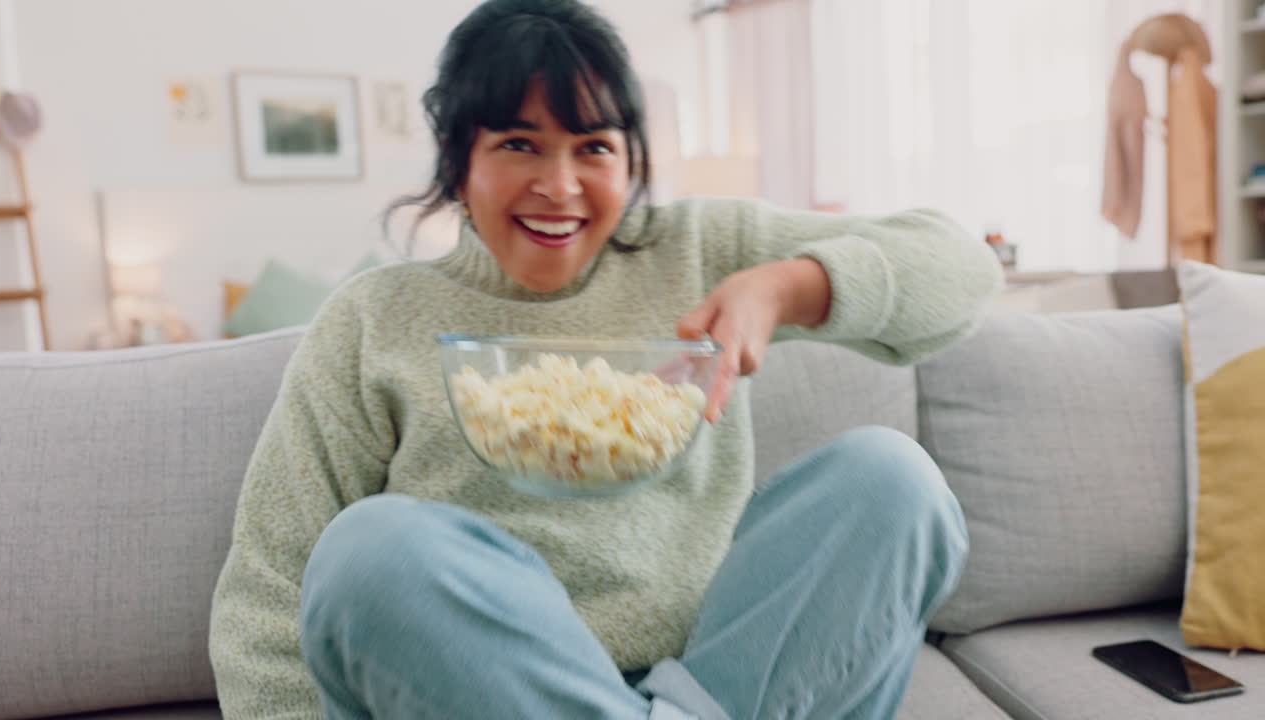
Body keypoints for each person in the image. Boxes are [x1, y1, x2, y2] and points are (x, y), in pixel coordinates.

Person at [208, 1, 1003, 718]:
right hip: (483, 696)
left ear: (631, 162)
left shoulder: (696, 248)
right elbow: (271, 588)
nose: (560, 186)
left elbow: (963, 270)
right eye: (519, 144)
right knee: (370, 550)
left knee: (892, 479)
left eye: (593, 147)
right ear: (457, 162)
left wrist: (788, 287)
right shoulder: (373, 318)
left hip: (716, 682)